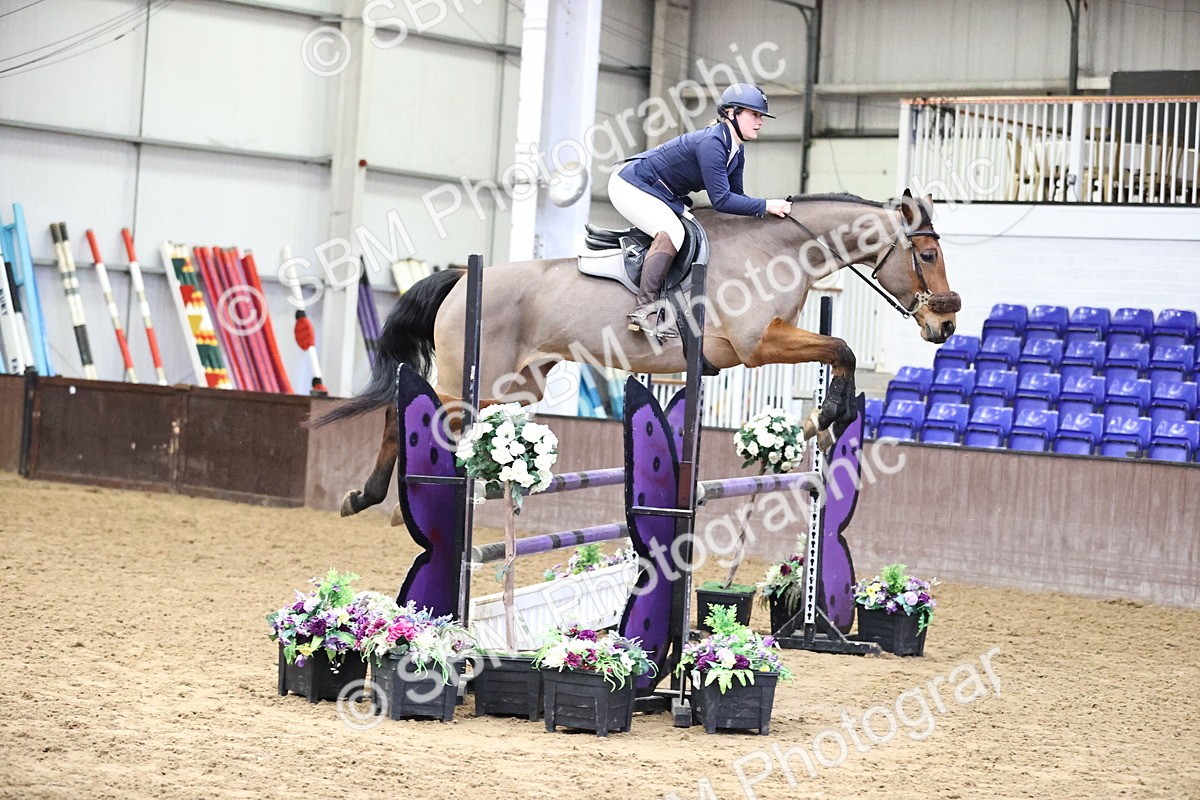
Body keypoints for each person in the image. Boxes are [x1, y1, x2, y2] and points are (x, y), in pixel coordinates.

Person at [609, 82, 793, 334]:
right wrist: (766, 205)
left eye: (761, 116)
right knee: (673, 232)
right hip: (630, 185)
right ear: (731, 113)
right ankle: (643, 309)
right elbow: (722, 201)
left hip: (659, 192)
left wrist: (765, 214)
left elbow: (735, 200)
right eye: (754, 114)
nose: (760, 121)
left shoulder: (736, 151)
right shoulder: (713, 143)